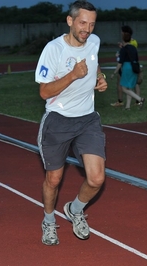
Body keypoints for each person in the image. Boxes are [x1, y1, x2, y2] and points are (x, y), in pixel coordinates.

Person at [34, 0, 108, 246]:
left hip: (87, 119)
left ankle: (75, 209)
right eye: (82, 22)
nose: (87, 29)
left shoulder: (94, 42)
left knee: (96, 179)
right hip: (58, 120)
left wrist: (100, 77)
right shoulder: (53, 49)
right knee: (53, 180)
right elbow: (44, 92)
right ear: (70, 21)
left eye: (92, 24)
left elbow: (94, 65)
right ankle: (48, 221)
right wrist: (73, 75)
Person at [111, 25, 144, 110]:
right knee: (129, 87)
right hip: (134, 67)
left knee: (124, 88)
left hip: (126, 67)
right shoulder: (133, 48)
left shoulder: (123, 49)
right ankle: (127, 106)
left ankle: (140, 99)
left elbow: (120, 63)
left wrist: (114, 73)